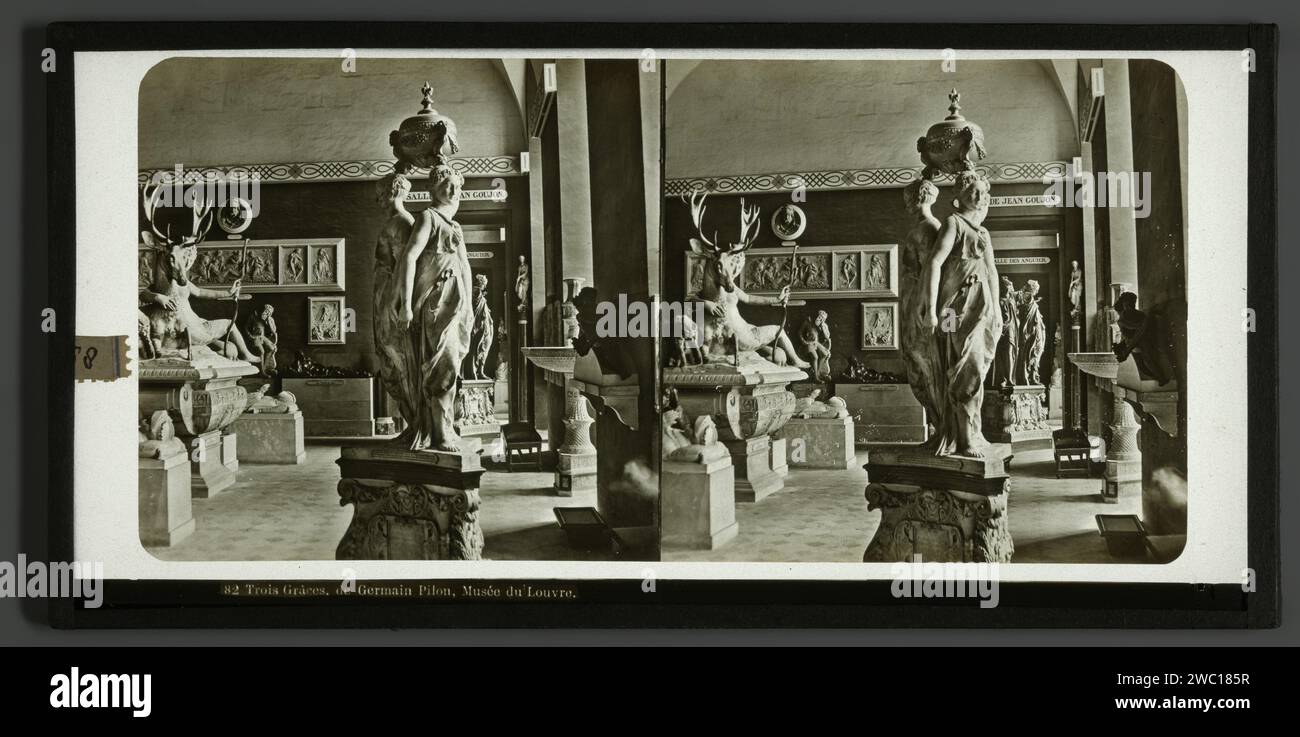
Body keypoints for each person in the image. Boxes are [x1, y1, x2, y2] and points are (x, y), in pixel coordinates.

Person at [921, 171, 1001, 457]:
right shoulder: (953, 224)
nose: (978, 196)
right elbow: (934, 263)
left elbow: (991, 271)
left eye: (982, 192)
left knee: (975, 368)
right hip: (952, 309)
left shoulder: (983, 232)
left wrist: (998, 309)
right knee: (958, 366)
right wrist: (931, 310)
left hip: (980, 308)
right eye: (972, 191)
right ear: (958, 197)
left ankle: (971, 433)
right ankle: (962, 439)